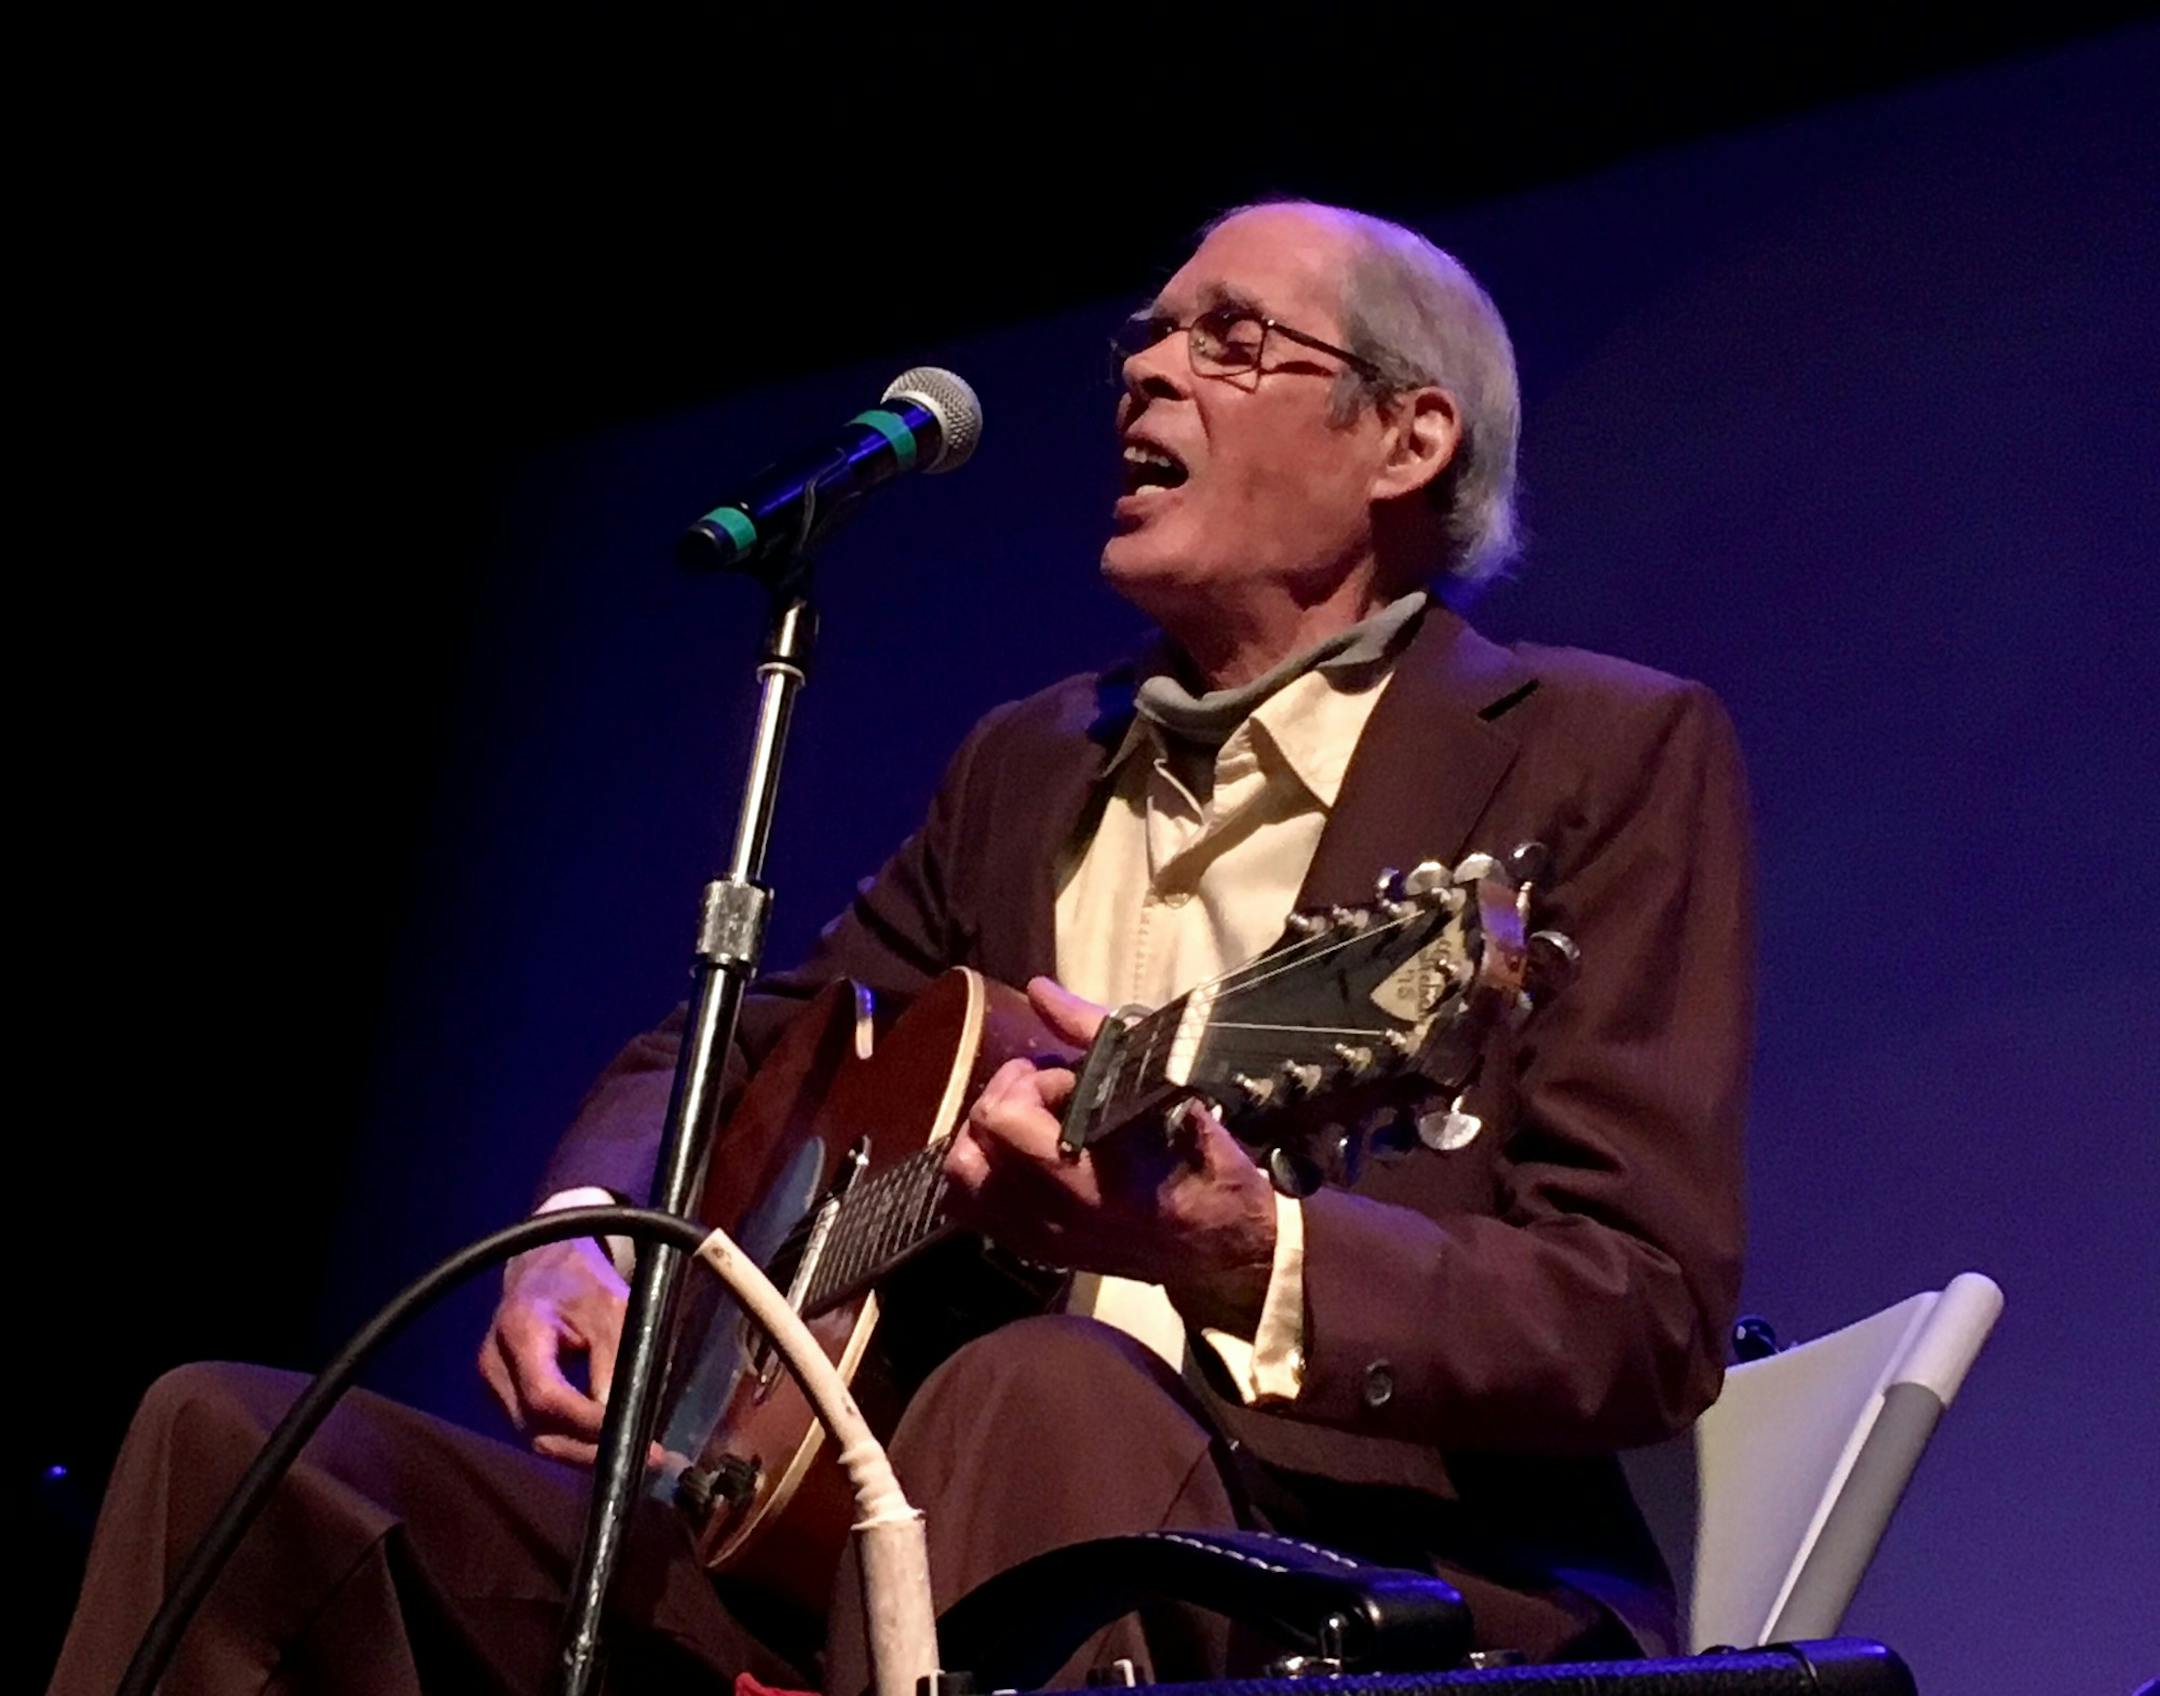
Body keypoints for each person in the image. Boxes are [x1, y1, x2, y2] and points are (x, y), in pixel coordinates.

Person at [50, 200, 1753, 1695]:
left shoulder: (1594, 756)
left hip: (1326, 1565)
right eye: (1144, 337)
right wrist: (590, 1237)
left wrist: (1248, 1258)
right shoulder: (1032, 764)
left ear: (1408, 440)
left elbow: (1644, 1307)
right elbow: (714, 1058)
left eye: (1230, 340)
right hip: (838, 1557)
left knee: (1033, 1389)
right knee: (238, 1447)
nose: (1148, 371)